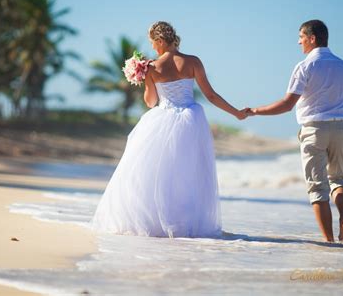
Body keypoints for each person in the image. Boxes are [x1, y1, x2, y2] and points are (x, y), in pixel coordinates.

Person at [91, 21, 247, 238]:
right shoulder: (193, 62)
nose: (153, 48)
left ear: (161, 41)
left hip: (161, 121)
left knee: (158, 173)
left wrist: (144, 78)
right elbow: (211, 96)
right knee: (187, 174)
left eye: (153, 44)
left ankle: (157, 223)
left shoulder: (152, 68)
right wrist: (236, 112)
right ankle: (184, 224)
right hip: (191, 120)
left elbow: (150, 102)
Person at [244, 20, 343, 243]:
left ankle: (330, 242)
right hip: (341, 128)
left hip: (314, 128)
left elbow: (287, 105)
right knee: (338, 179)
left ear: (312, 38)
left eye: (301, 37)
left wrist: (254, 110)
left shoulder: (305, 66)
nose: (299, 42)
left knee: (317, 188)